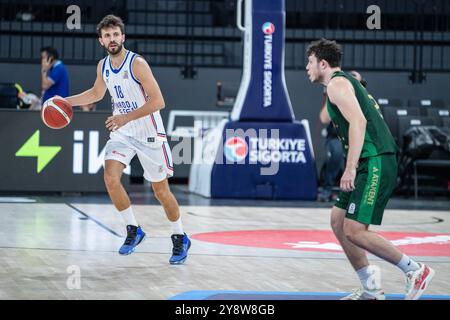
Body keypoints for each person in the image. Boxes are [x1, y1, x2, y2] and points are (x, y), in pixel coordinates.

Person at [305, 38, 435, 300]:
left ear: (322, 62)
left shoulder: (338, 84)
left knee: (354, 230)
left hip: (374, 159)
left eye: (309, 62)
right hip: (369, 159)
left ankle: (416, 270)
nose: (306, 68)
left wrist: (350, 168)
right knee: (338, 221)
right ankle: (371, 288)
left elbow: (359, 123)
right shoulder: (339, 84)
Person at [63, 15, 191, 264]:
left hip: (149, 133)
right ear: (101, 40)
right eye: (107, 36)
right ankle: (133, 229)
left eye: (115, 34)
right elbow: (96, 93)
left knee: (160, 191)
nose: (112, 39)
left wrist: (125, 117)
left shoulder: (137, 64)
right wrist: (64, 102)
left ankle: (180, 236)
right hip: (123, 134)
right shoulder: (103, 66)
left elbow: (158, 102)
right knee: (110, 177)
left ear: (123, 37)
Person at [318, 71, 365, 202]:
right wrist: (329, 93)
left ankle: (355, 192)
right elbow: (324, 118)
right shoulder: (337, 94)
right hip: (336, 138)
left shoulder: (362, 98)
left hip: (355, 138)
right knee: (337, 152)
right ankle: (327, 189)